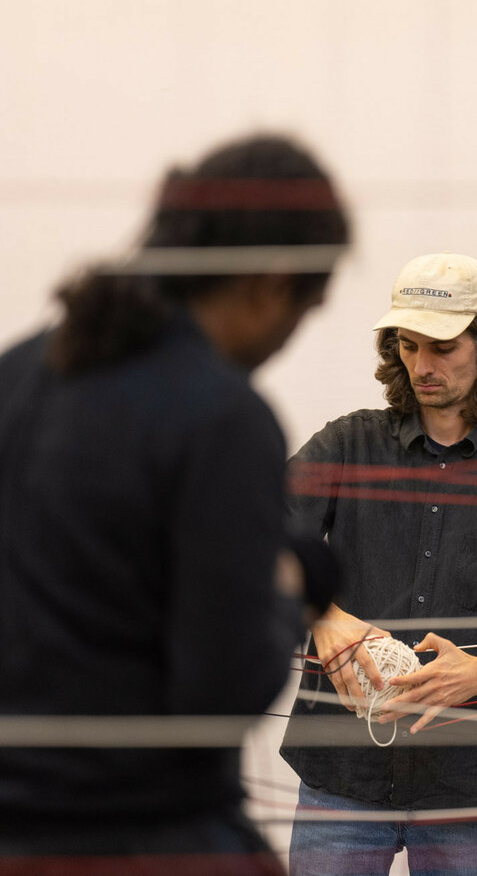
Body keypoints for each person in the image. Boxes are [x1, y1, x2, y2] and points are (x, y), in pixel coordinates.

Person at [0, 134, 351, 874]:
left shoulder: (19, 373)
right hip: (136, 836)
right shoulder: (222, 414)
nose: (287, 341)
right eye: (303, 311)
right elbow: (220, 692)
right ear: (270, 283)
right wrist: (291, 586)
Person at [280, 252, 477, 876]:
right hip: (340, 776)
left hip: (467, 788)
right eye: (408, 346)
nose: (422, 366)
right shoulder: (346, 445)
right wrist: (325, 617)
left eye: (441, 347)